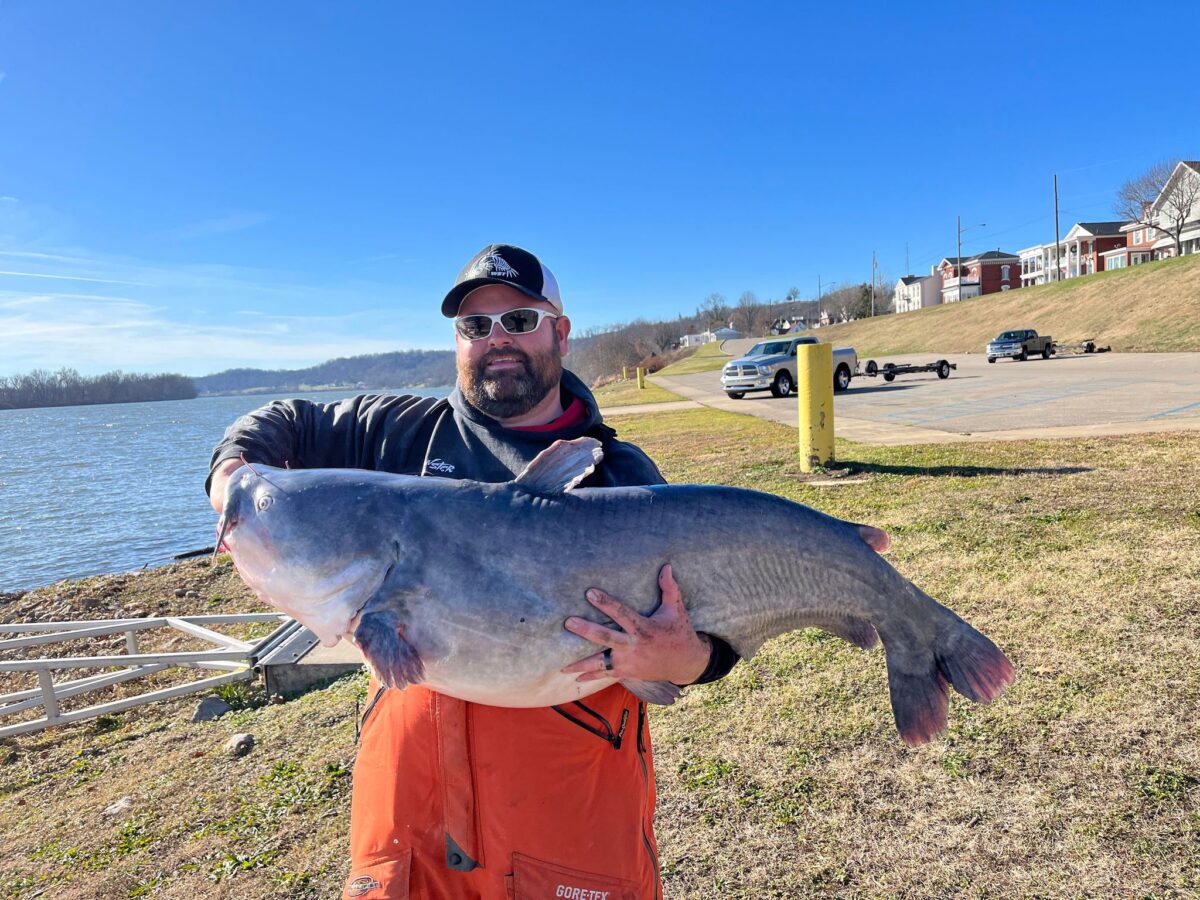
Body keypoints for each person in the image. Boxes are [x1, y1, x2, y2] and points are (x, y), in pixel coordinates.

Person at [206, 244, 740, 899]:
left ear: (561, 333)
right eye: (475, 325)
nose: (497, 339)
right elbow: (280, 422)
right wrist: (231, 475)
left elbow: (711, 635)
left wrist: (685, 658)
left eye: (519, 320)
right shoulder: (400, 433)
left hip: (568, 820)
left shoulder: (625, 479)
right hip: (410, 828)